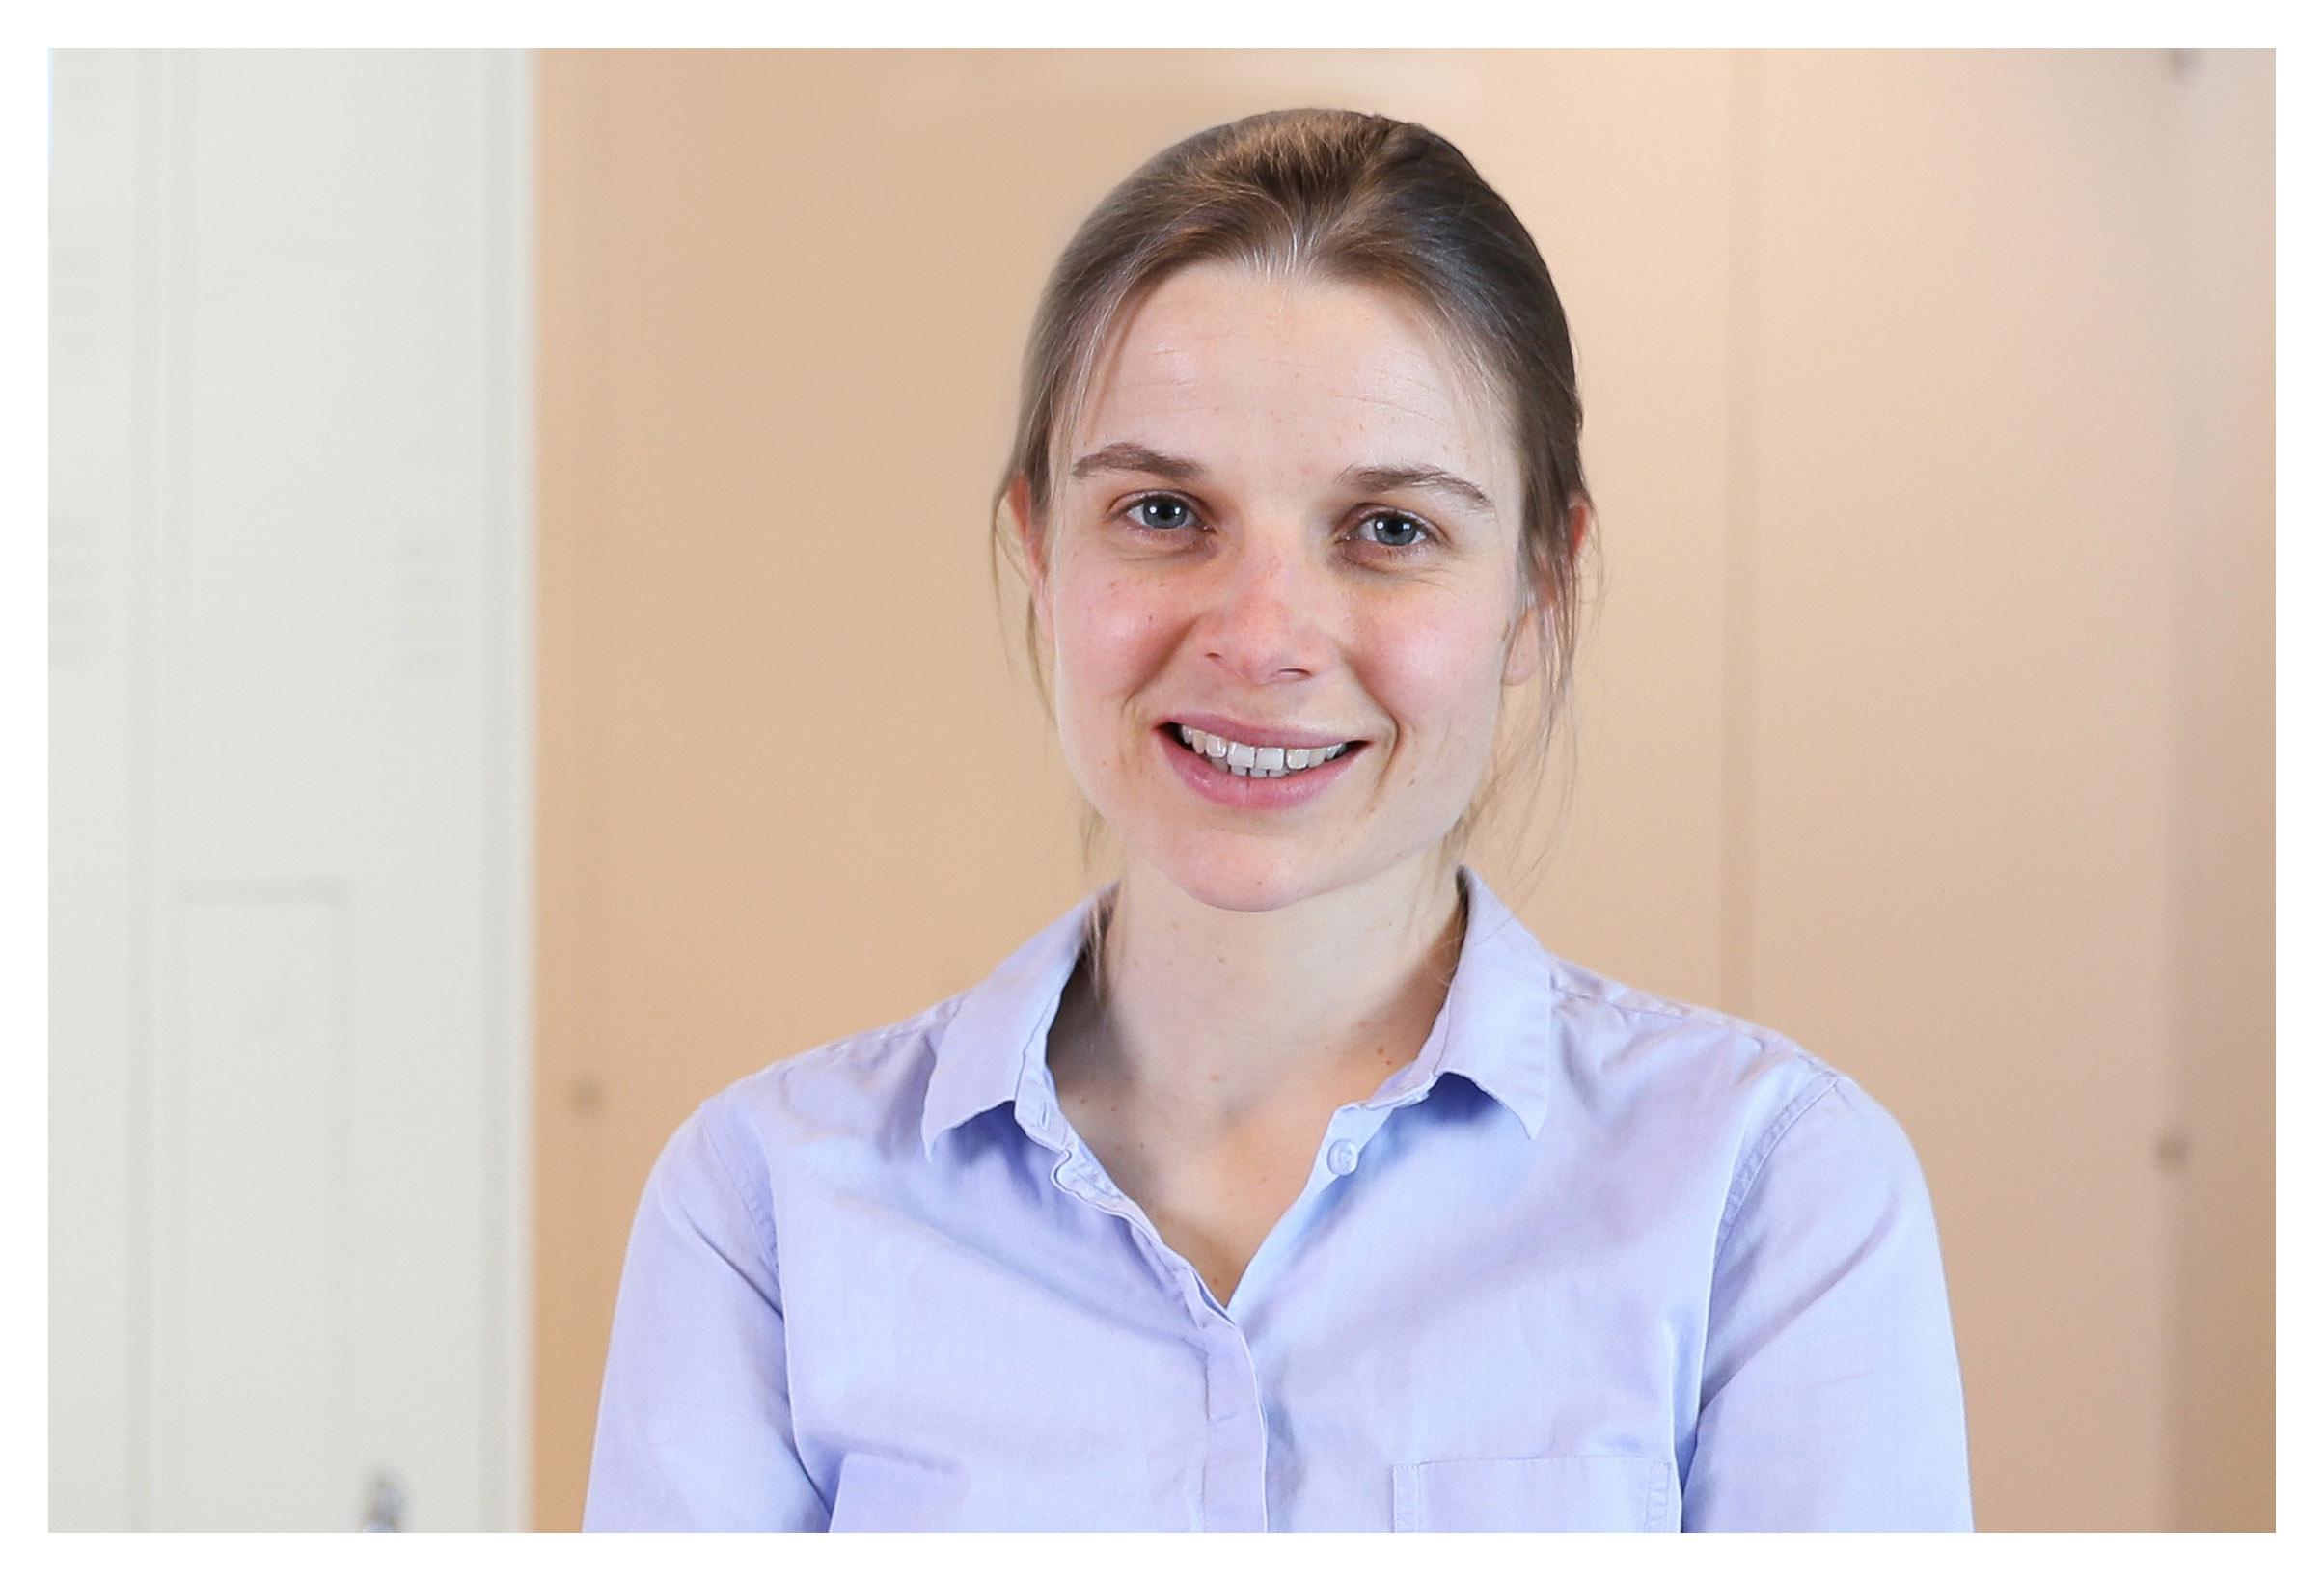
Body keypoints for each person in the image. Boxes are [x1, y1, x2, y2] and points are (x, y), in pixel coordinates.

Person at [582, 106, 1974, 1533]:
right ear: (1038, 547)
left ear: (1537, 590)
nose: (1260, 640)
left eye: (1389, 530)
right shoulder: (766, 1208)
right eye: (1162, 513)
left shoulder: (1765, 1195)